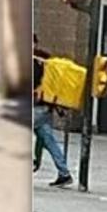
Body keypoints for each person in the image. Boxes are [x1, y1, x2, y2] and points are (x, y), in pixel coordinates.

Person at [33, 35, 73, 187]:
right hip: (47, 107)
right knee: (48, 140)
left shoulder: (36, 62)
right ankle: (64, 173)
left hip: (37, 108)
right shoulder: (46, 60)